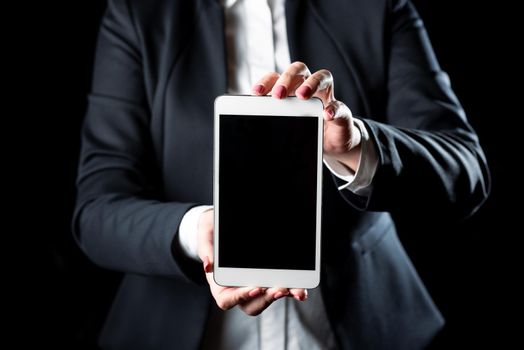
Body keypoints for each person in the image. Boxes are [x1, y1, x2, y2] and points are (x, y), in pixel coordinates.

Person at [73, 0, 490, 348]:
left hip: (368, 326)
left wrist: (357, 147)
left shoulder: (376, 5)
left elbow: (466, 170)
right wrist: (198, 232)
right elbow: (96, 209)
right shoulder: (137, 12)